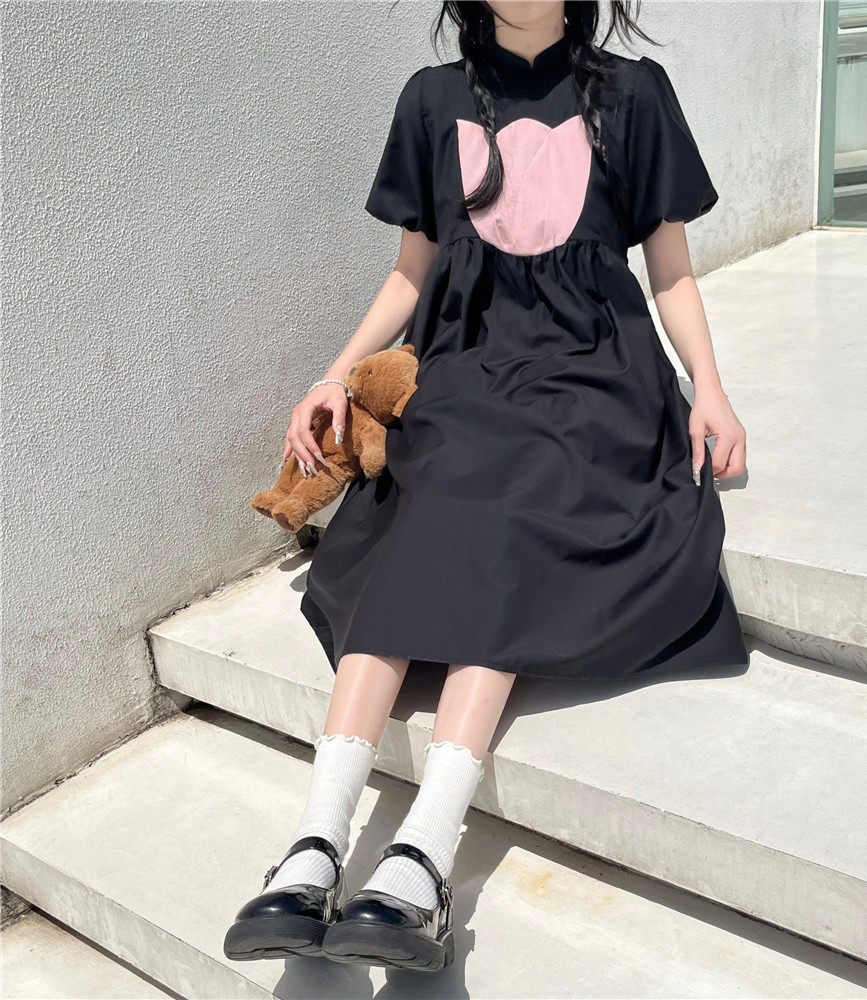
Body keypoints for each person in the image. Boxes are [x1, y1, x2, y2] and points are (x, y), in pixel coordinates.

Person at [224, 0, 748, 973]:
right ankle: (312, 846)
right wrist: (335, 373)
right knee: (423, 509)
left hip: (595, 372)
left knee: (506, 508)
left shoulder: (635, 94)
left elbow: (669, 268)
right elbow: (410, 271)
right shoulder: (431, 100)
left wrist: (708, 389)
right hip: (467, 365)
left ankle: (422, 856)